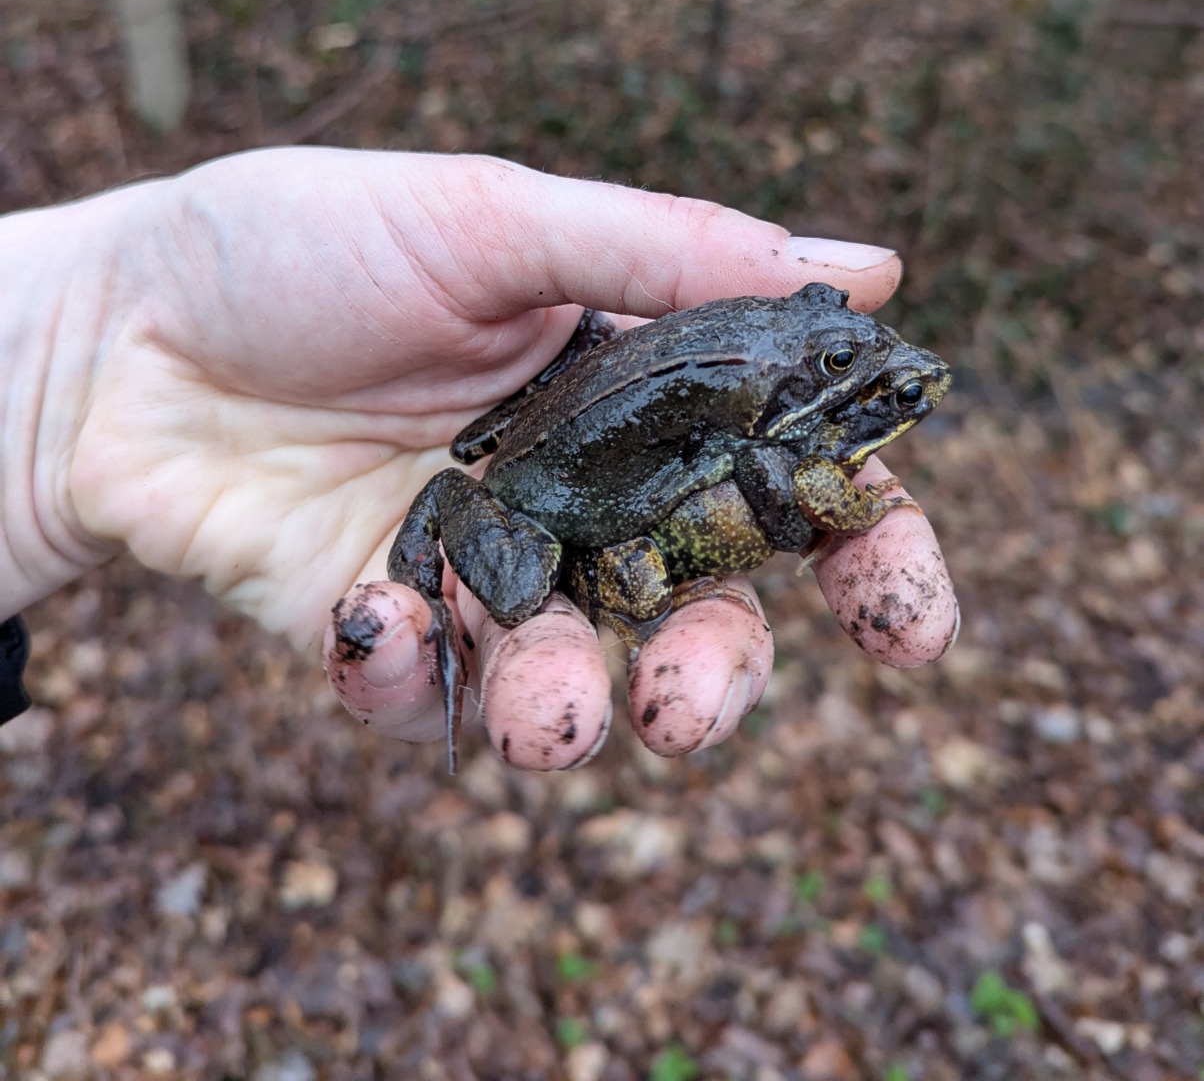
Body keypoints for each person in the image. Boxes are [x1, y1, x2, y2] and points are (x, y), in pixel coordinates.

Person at [0, 147, 957, 768]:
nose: (849, 353)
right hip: (552, 505)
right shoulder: (755, 422)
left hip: (528, 426)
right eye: (833, 360)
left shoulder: (748, 342)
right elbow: (765, 490)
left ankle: (433, 547)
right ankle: (437, 567)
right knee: (530, 584)